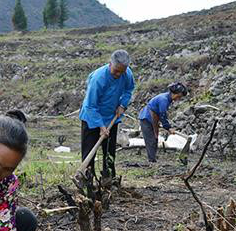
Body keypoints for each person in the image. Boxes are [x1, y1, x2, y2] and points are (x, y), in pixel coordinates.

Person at [79, 49, 135, 178]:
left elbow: (129, 89)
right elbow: (90, 106)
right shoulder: (98, 79)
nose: (118, 74)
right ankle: (87, 179)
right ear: (110, 63)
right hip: (91, 119)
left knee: (109, 152)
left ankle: (108, 179)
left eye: (122, 71)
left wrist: (122, 105)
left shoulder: (127, 73)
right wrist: (101, 126)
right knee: (89, 153)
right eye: (116, 71)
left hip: (111, 118)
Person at [138, 82, 188, 162]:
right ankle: (152, 161)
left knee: (155, 138)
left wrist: (164, 125)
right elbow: (163, 115)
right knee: (151, 140)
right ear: (174, 93)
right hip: (146, 118)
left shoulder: (167, 98)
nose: (178, 99)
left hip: (153, 119)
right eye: (178, 96)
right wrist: (168, 128)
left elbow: (161, 114)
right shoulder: (163, 99)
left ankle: (153, 158)